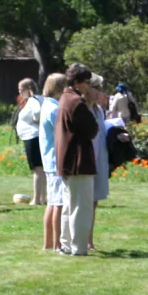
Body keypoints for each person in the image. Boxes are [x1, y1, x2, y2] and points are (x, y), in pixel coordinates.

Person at [56, 63, 99, 255]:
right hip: (78, 161)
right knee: (81, 207)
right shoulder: (76, 102)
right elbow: (92, 129)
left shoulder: (64, 98)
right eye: (87, 82)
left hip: (67, 161)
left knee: (69, 205)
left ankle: (66, 244)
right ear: (78, 82)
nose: (88, 87)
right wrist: (89, 105)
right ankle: (79, 247)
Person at [40, 73, 67, 251]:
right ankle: (57, 244)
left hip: (49, 161)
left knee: (52, 203)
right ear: (59, 88)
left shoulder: (46, 105)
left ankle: (48, 243)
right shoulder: (55, 109)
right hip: (56, 161)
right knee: (59, 203)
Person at [89, 77, 111, 250]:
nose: (100, 92)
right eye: (97, 88)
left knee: (94, 201)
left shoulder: (98, 110)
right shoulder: (82, 108)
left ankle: (89, 240)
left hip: (99, 160)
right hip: (86, 162)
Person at [15, 79, 46, 205]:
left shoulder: (34, 100)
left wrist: (37, 120)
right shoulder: (37, 99)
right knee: (40, 169)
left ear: (29, 88)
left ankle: (37, 199)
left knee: (37, 169)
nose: (20, 92)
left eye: (21, 90)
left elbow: (38, 113)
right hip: (33, 137)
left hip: (33, 137)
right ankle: (42, 198)